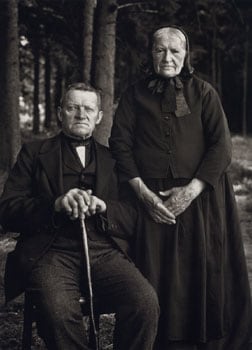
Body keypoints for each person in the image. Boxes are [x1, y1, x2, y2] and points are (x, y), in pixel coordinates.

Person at [109, 26, 252, 350]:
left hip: (200, 200)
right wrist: (143, 195)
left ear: (186, 55)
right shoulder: (134, 95)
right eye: (160, 50)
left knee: (200, 271)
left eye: (175, 50)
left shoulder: (203, 93)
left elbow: (222, 146)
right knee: (156, 276)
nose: (168, 57)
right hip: (150, 200)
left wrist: (191, 191)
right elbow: (120, 144)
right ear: (151, 54)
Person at [0, 82, 160, 350]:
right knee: (58, 314)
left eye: (88, 109)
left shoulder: (114, 160)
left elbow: (134, 215)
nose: (81, 114)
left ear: (98, 117)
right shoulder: (33, 153)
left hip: (104, 251)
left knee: (145, 302)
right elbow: (7, 210)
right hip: (49, 253)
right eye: (73, 107)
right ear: (60, 112)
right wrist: (55, 204)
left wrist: (104, 206)